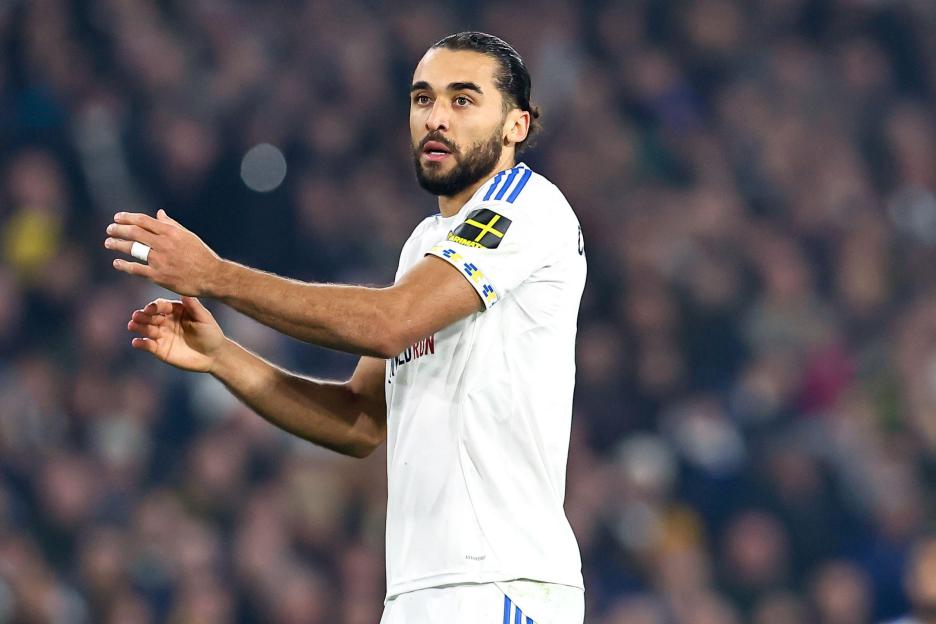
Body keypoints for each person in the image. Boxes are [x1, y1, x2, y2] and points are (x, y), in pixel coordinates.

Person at [103, 31, 586, 624]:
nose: (436, 118)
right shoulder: (424, 248)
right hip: (418, 591)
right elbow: (359, 422)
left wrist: (216, 276)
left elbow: (390, 323)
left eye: (463, 100)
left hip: (500, 585)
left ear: (515, 125)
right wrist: (223, 357)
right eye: (423, 99)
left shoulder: (527, 208)